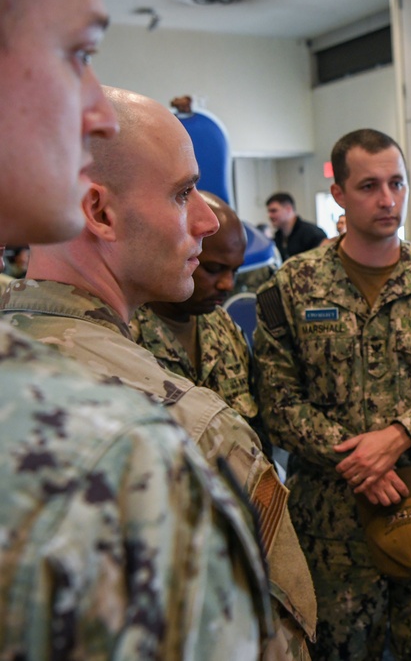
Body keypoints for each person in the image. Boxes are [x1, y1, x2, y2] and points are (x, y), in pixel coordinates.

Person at [1, 86, 316, 659]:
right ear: (99, 211)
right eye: (182, 193)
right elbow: (271, 644)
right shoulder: (191, 429)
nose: (203, 219)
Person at [254, 128, 411, 659]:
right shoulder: (290, 288)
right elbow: (276, 401)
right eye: (368, 186)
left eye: (397, 183)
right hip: (331, 529)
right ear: (338, 194)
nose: (387, 200)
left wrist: (398, 435)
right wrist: (357, 457)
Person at [131, 191, 257, 425]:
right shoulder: (125, 336)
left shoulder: (223, 325)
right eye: (213, 268)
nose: (228, 284)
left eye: (235, 271)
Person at [267, 192, 328, 261]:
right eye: (269, 212)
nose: (270, 216)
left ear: (288, 209)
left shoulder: (313, 234)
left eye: (274, 211)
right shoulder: (277, 237)